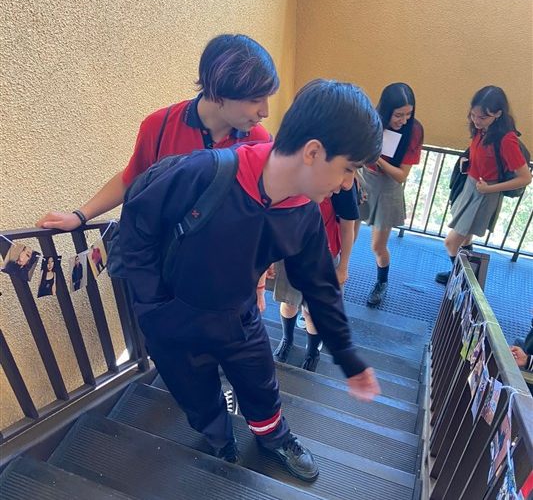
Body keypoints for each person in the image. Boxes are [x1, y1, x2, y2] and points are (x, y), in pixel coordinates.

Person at [119, 79, 383, 481]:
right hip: (175, 317)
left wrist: (347, 357)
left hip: (239, 316)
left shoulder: (304, 214)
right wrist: (153, 306)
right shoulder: (204, 172)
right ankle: (219, 439)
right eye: (348, 169)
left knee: (261, 382)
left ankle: (274, 437)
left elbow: (320, 287)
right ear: (313, 152)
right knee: (195, 393)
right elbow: (137, 227)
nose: (348, 184)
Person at [36, 34, 278, 231]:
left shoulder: (260, 142)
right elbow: (132, 177)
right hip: (162, 263)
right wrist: (79, 215)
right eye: (255, 100)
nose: (265, 112)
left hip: (222, 268)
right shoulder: (160, 126)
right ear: (219, 91)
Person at [436, 86, 531, 284]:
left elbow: (525, 178)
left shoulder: (507, 140)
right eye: (473, 115)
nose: (476, 121)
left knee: (451, 242)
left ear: (498, 114)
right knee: (465, 237)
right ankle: (464, 275)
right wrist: (468, 162)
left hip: (484, 193)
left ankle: (462, 279)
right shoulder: (482, 130)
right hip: (471, 186)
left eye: (482, 117)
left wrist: (489, 189)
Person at [272, 186, 359, 371]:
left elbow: (348, 227)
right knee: (288, 302)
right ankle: (287, 339)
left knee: (314, 311)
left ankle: (312, 351)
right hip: (290, 252)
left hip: (324, 256)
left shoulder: (342, 184)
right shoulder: (292, 176)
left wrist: (343, 266)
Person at [358, 83, 424, 306]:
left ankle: (381, 283)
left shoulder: (413, 131)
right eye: (398, 115)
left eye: (408, 114)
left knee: (377, 246)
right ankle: (339, 272)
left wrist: (376, 158)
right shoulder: (371, 121)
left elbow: (401, 176)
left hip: (388, 188)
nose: (404, 120)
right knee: (346, 234)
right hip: (364, 179)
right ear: (386, 111)